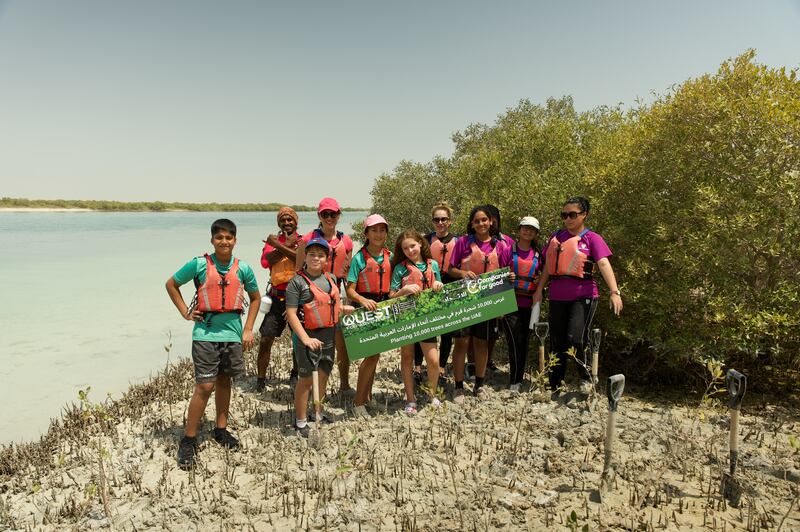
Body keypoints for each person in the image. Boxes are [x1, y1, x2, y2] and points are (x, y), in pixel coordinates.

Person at [165, 219, 260, 470]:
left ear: (235, 241)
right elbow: (171, 284)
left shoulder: (244, 268)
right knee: (204, 386)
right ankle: (189, 438)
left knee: (224, 381)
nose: (224, 242)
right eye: (220, 238)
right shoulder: (198, 264)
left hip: (232, 334)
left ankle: (220, 429)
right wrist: (186, 311)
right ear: (212, 240)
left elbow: (256, 297)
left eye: (229, 238)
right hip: (205, 334)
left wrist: (248, 328)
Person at [532, 196, 623, 392]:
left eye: (572, 215)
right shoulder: (556, 237)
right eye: (564, 215)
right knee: (557, 340)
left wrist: (614, 292)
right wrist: (539, 290)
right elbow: (548, 265)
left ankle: (586, 378)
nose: (567, 219)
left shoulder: (592, 238)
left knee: (576, 337)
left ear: (584, 215)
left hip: (583, 295)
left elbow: (604, 263)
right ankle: (555, 383)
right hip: (557, 295)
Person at [285, 237, 355, 437]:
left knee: (323, 374)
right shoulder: (296, 282)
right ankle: (300, 421)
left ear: (327, 259)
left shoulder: (331, 278)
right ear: (305, 257)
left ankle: (317, 412)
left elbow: (327, 305)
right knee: (306, 379)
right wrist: (305, 339)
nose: (316, 258)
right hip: (307, 337)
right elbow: (291, 314)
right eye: (312, 254)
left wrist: (343, 308)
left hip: (328, 335)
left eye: (321, 255)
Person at [447, 205, 513, 402]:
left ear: (491, 221)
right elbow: (450, 269)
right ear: (472, 224)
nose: (481, 224)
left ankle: (479, 384)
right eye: (477, 221)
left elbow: (506, 275)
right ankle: (458, 387)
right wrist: (462, 273)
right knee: (461, 343)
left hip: (489, 301)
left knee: (482, 345)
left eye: (484, 220)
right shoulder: (462, 243)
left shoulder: (502, 246)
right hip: (465, 301)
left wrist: (503, 305)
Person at [296, 198, 355, 393]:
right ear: (319, 215)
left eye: (333, 214)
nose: (329, 218)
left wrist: (349, 299)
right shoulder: (306, 240)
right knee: (310, 343)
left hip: (335, 293)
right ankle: (309, 386)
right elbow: (298, 271)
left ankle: (344, 384)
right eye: (325, 214)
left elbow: (346, 271)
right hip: (311, 296)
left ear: (339, 215)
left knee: (341, 344)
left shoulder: (346, 241)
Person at [390, 229, 445, 414]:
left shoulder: (433, 265)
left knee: (433, 360)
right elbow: (391, 296)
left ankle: (432, 394)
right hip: (407, 319)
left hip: (428, 318)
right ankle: (410, 399)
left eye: (412, 246)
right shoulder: (399, 269)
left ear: (420, 244)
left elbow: (440, 288)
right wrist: (404, 290)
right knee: (407, 358)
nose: (410, 250)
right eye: (405, 248)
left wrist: (439, 285)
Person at [415, 201, 468, 388]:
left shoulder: (460, 241)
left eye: (444, 219)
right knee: (425, 328)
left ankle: (442, 367)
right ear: (432, 221)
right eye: (436, 219)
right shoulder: (425, 240)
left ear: (450, 221)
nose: (440, 222)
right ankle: (417, 367)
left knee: (448, 331)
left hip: (451, 285)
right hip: (429, 286)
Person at [346, 214, 392, 418]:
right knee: (371, 355)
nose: (378, 234)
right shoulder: (359, 258)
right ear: (366, 233)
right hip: (367, 308)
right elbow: (350, 290)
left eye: (382, 230)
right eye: (374, 230)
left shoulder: (390, 255)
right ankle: (358, 403)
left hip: (384, 307)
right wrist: (363, 301)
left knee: (376, 355)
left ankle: (368, 398)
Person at [256, 207, 300, 392]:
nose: (287, 223)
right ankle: (260, 378)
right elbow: (266, 261)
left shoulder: (302, 241)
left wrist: (279, 245)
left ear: (296, 222)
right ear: (278, 223)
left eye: (290, 219)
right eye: (283, 220)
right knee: (266, 339)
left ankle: (295, 373)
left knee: (298, 339)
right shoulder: (271, 243)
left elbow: (300, 260)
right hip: (276, 296)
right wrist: (285, 246)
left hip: (297, 297)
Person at [506, 216, 542, 392]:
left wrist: (539, 280)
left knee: (524, 342)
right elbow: (498, 273)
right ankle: (515, 380)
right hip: (509, 303)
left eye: (532, 229)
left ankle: (519, 377)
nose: (528, 231)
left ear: (535, 233)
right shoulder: (507, 251)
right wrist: (507, 276)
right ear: (519, 229)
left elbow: (544, 278)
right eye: (525, 228)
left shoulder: (539, 255)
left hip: (530, 304)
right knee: (513, 341)